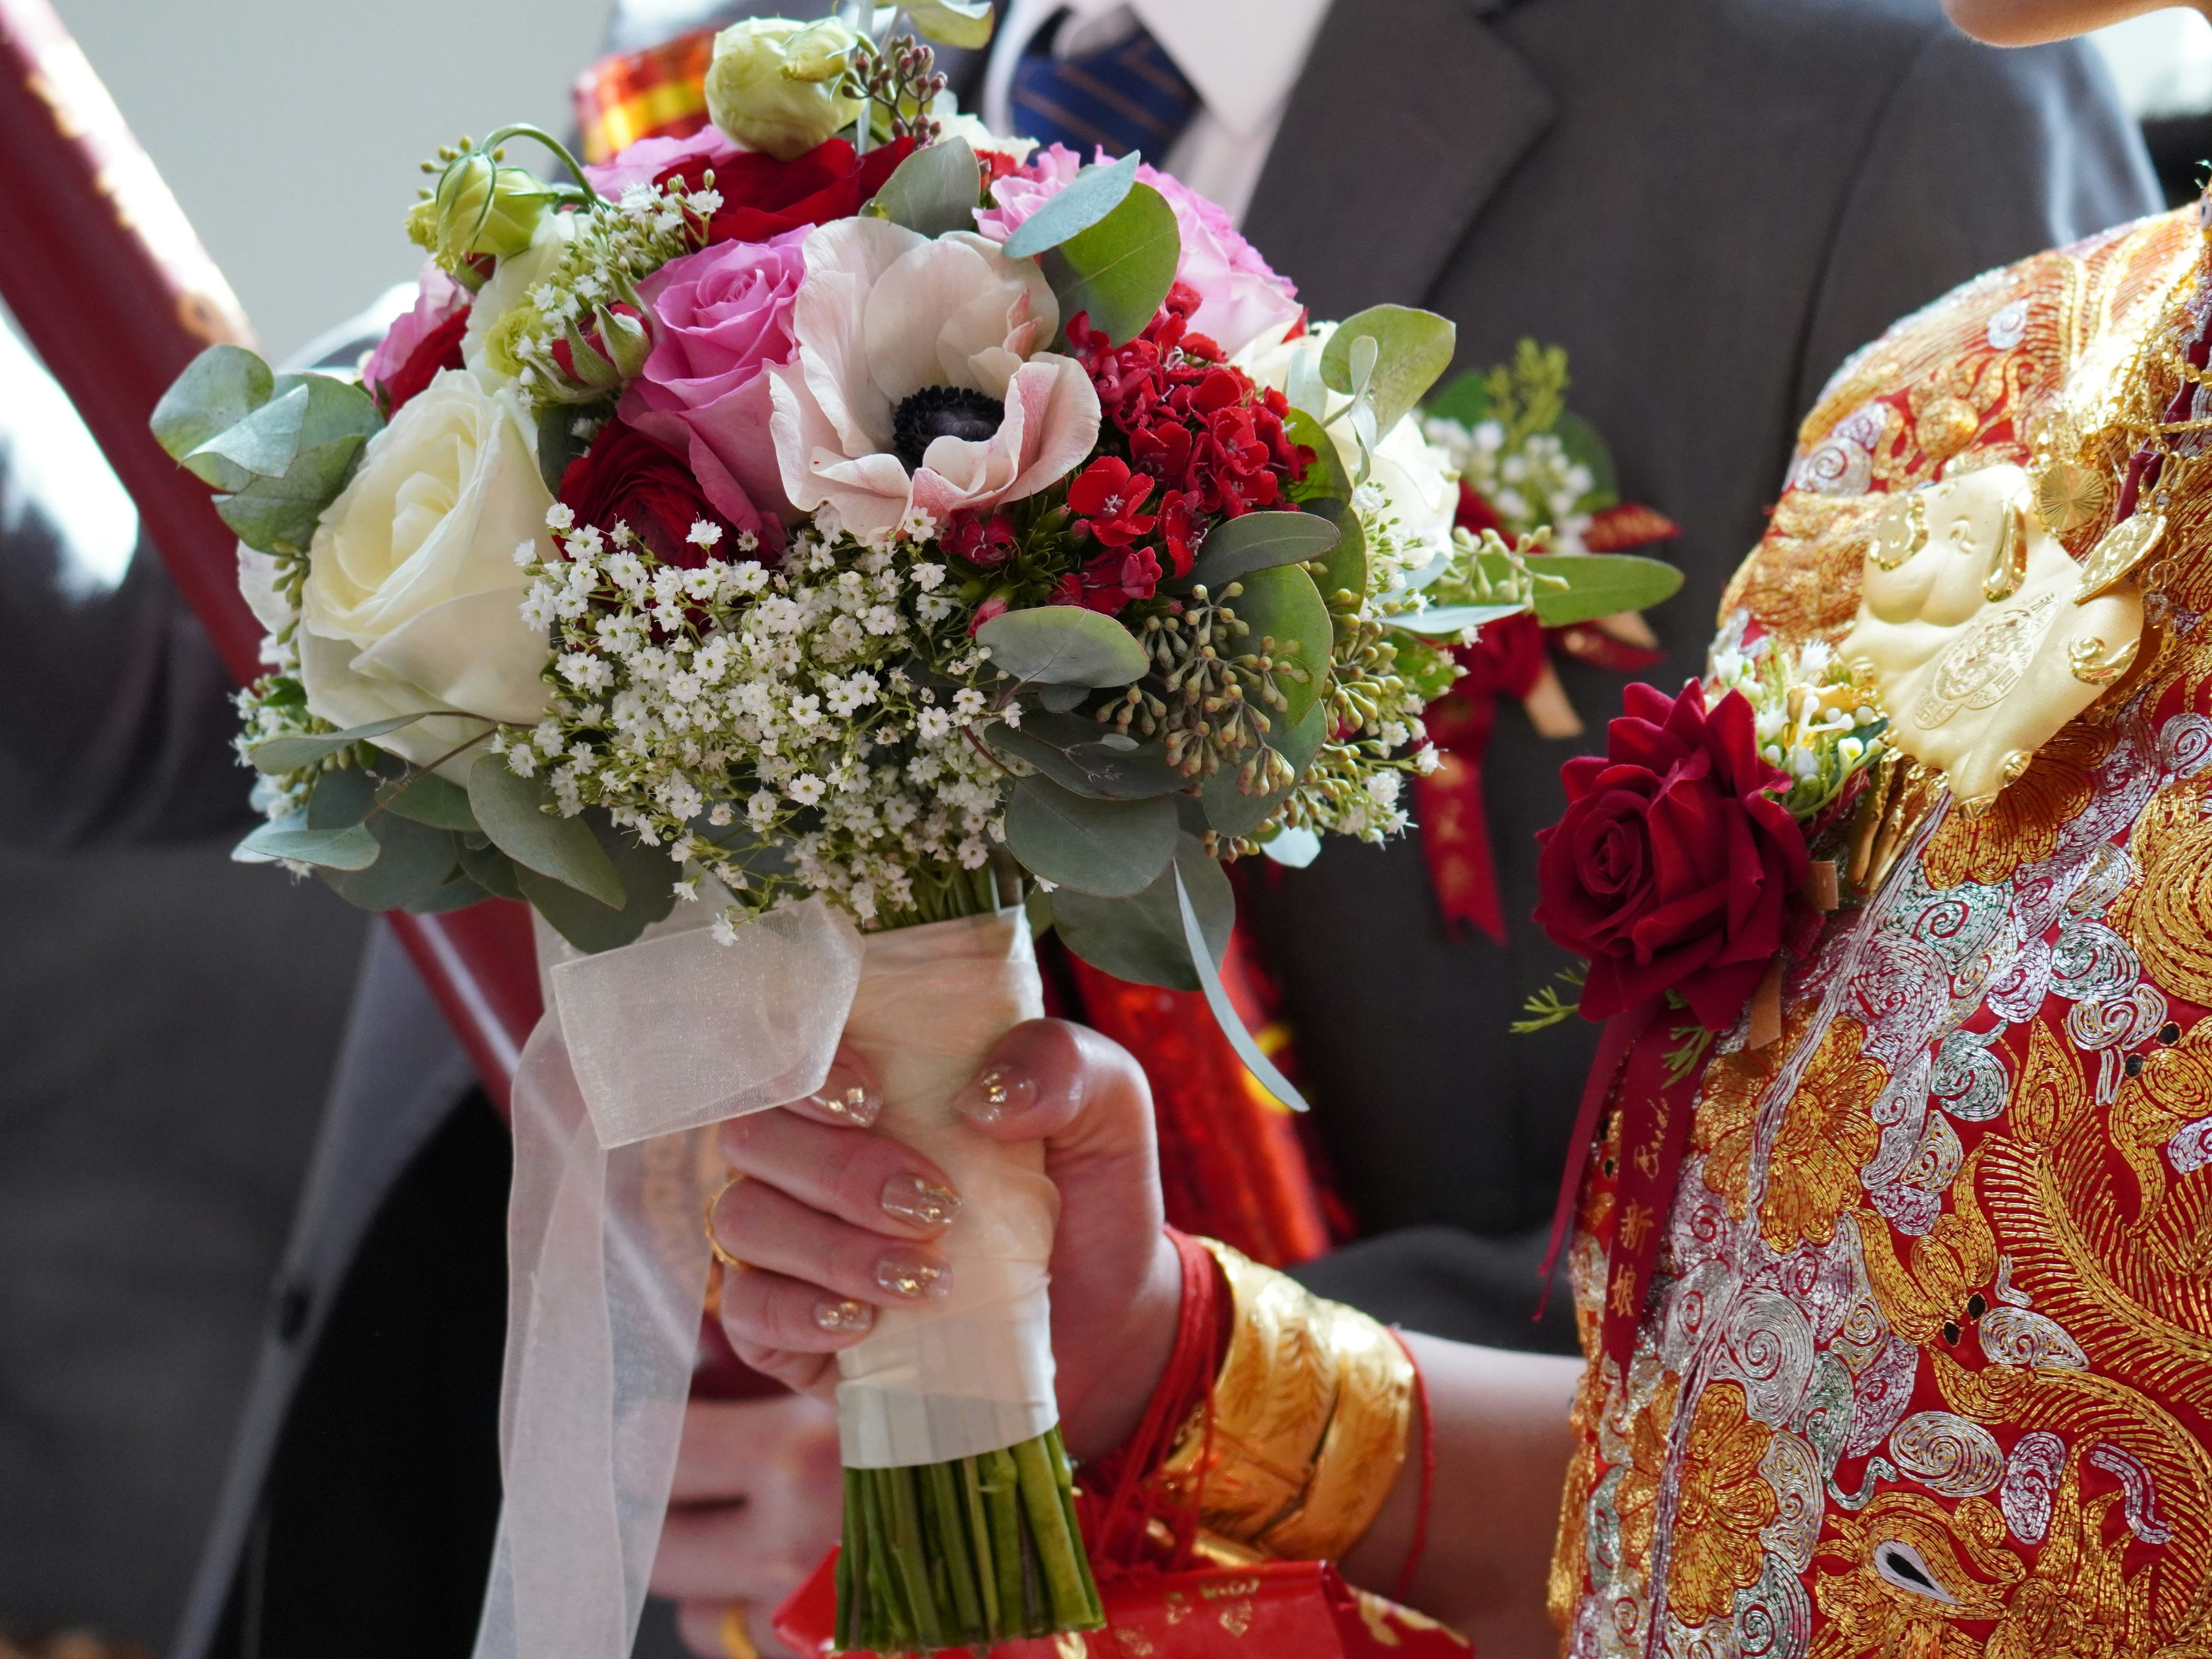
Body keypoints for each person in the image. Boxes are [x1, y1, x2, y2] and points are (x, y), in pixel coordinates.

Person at [157, 4, 2163, 1658]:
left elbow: (1894, 1246)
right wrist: (1096, 1351)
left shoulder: (1879, 111)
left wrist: (1041, 1441)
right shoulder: (749, 74)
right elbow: (219, 632)